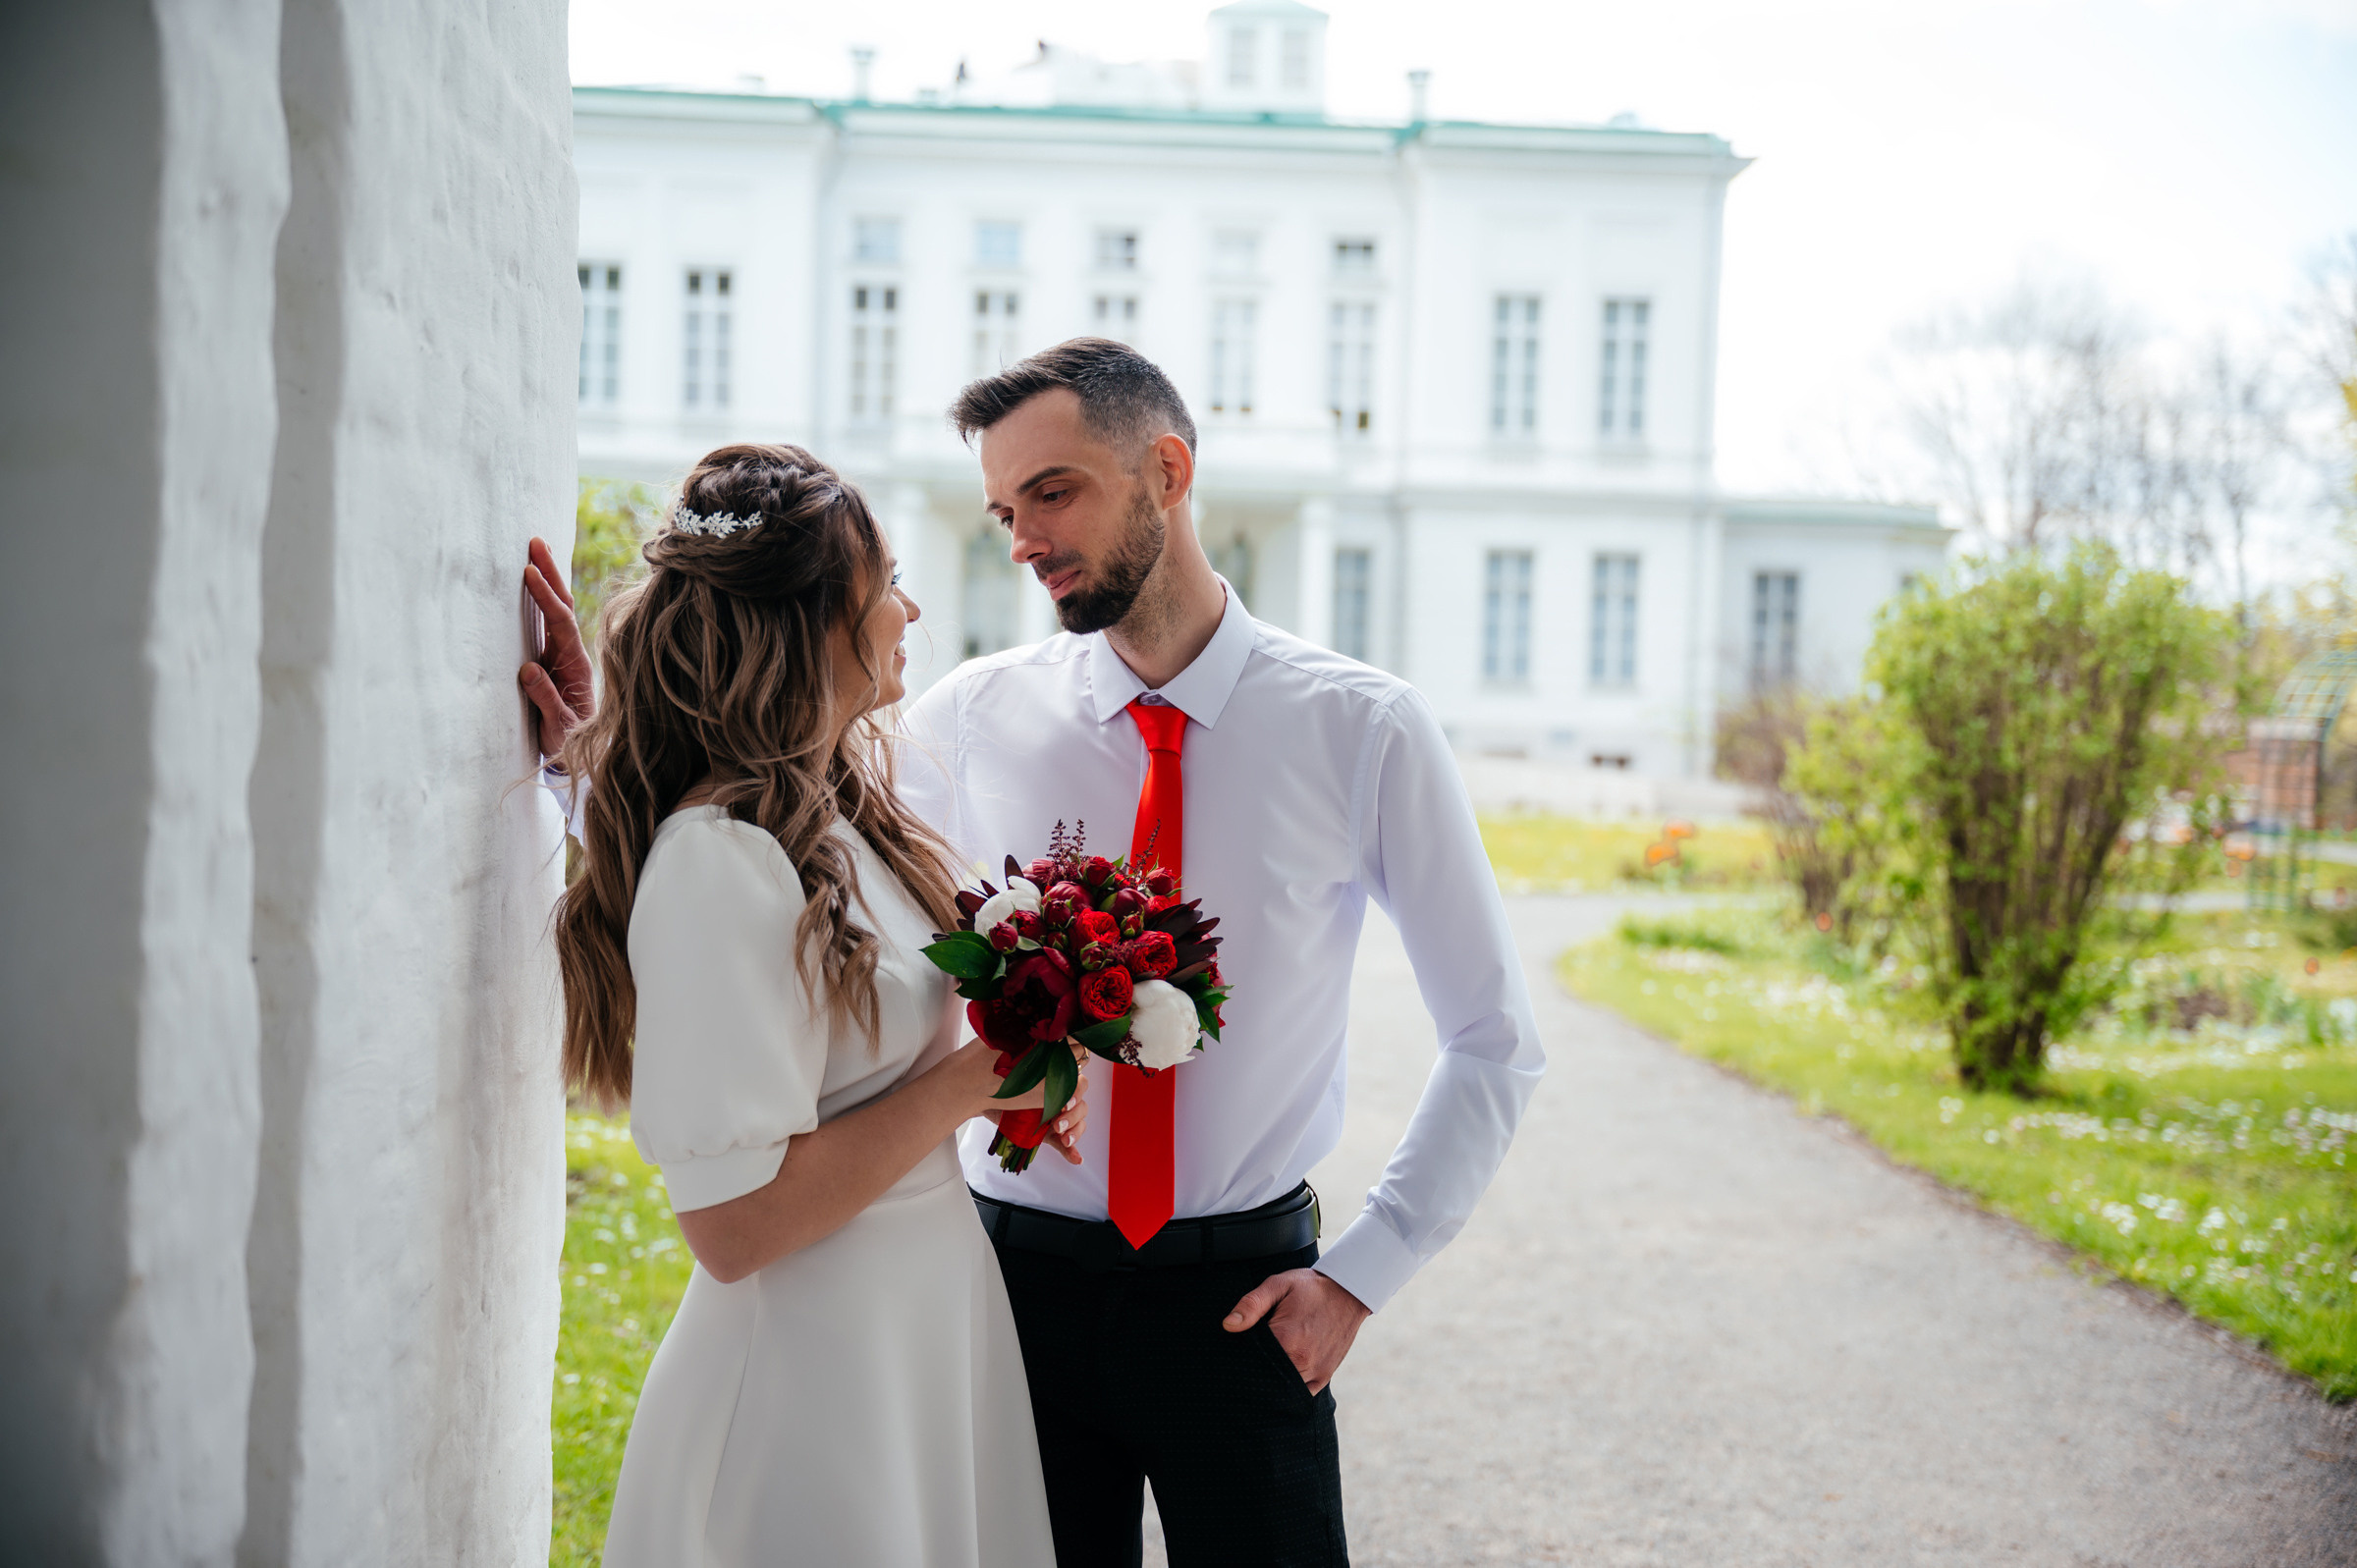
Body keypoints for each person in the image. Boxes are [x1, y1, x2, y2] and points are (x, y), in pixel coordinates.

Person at [527, 342, 1546, 1567]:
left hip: (1243, 1303)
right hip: (1010, 1298)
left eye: (1052, 493)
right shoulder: (969, 714)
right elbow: (761, 843)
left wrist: (1363, 1274)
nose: (1019, 537)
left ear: (1165, 471)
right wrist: (587, 750)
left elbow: (1493, 1037)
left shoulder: (1361, 728)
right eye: (1004, 508)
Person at [539, 442, 1081, 1567]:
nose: (911, 608)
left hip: (916, 1322)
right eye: (885, 585)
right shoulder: (720, 859)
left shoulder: (839, 811)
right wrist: (973, 1081)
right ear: (816, 622)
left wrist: (1002, 1085)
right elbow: (734, 1229)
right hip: (812, 1371)